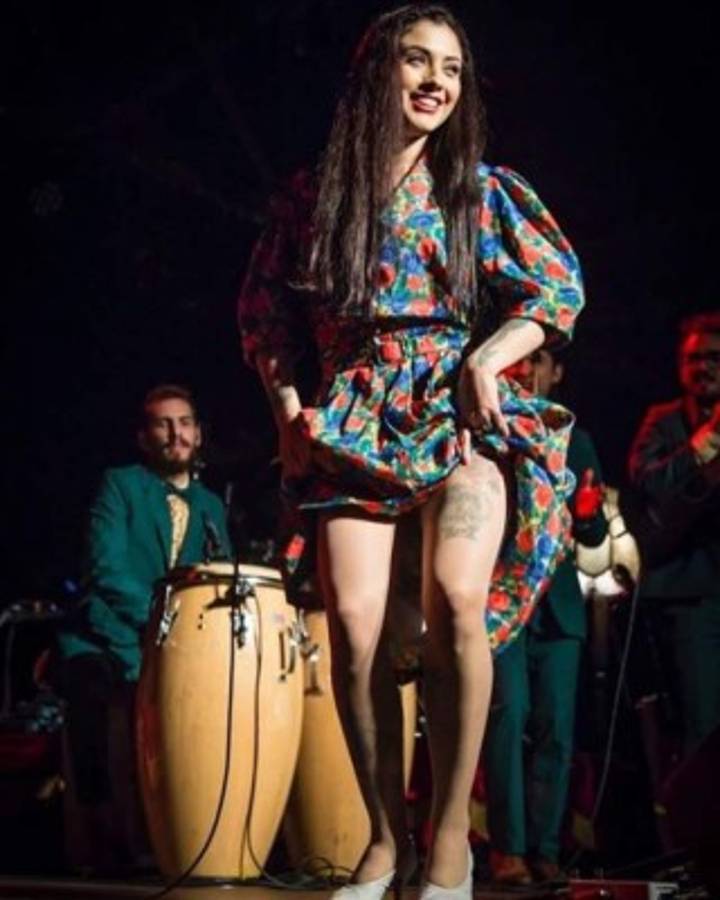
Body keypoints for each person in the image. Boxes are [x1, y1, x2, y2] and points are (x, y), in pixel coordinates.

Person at [238, 5, 584, 898]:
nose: (437, 80)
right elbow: (265, 313)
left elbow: (556, 287)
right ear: (375, 73)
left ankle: (454, 849)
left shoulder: (479, 188)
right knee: (354, 629)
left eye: (454, 68)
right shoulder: (316, 193)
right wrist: (287, 412)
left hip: (455, 410)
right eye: (417, 60)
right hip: (354, 409)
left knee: (457, 602)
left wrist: (490, 356)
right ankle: (384, 843)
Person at [57, 383, 231, 872]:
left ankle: (191, 831)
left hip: (176, 645)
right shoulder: (120, 484)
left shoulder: (212, 507)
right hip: (107, 636)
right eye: (163, 423)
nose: (176, 433)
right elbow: (104, 570)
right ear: (143, 437)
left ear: (198, 434)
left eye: (185, 423)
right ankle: (109, 837)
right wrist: (158, 623)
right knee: (99, 694)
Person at [482, 348, 607, 886]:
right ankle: (507, 849)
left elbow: (595, 539)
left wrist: (588, 514)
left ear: (556, 373)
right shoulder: (490, 435)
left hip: (558, 610)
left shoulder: (578, 441)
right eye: (519, 361)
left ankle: (546, 849)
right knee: (507, 719)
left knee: (556, 727)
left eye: (539, 362)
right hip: (502, 602)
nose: (527, 370)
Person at [628, 311, 720, 756]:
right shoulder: (662, 421)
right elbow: (647, 484)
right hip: (691, 597)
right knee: (701, 727)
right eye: (695, 358)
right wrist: (704, 442)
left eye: (714, 357)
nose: (704, 366)